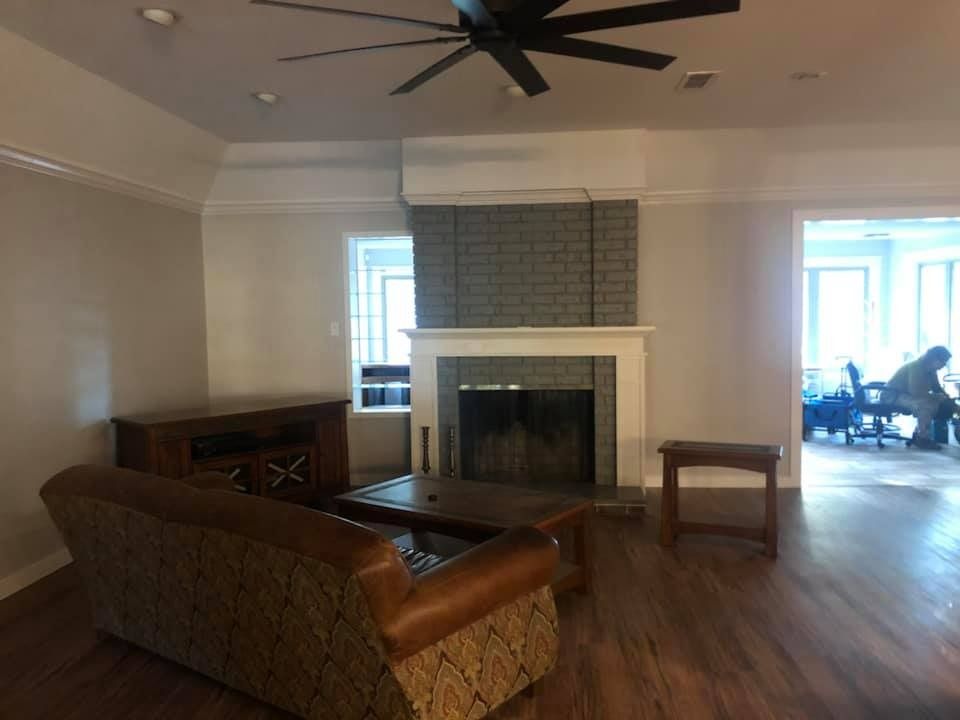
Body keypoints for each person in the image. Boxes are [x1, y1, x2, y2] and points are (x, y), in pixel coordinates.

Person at [880, 346, 956, 449]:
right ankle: (922, 438)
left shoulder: (931, 370)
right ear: (934, 358)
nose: (944, 365)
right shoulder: (915, 367)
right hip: (891, 395)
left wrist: (948, 400)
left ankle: (919, 435)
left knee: (933, 403)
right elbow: (916, 392)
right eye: (943, 361)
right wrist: (936, 397)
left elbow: (936, 388)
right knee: (925, 405)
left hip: (905, 394)